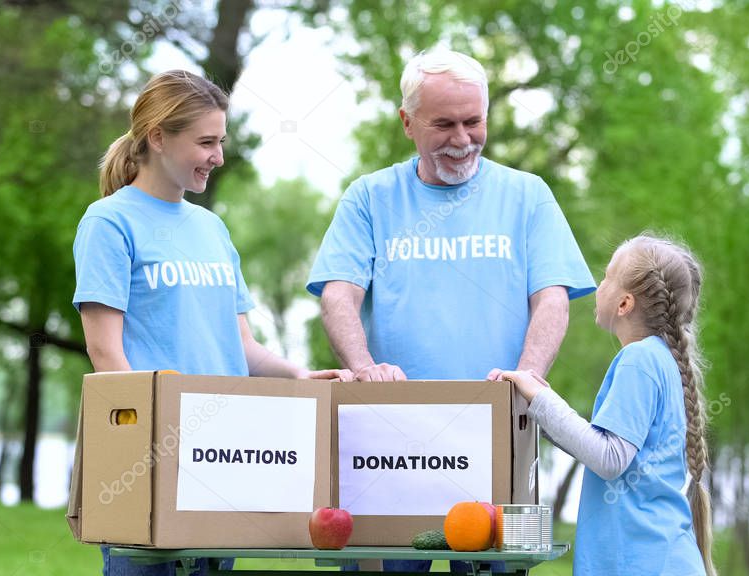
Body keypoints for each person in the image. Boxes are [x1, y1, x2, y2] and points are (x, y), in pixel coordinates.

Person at [306, 49, 596, 572]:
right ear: (407, 123)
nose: (463, 140)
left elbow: (552, 298)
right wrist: (365, 367)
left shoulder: (529, 195)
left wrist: (528, 378)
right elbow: (338, 295)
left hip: (502, 431)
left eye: (474, 121)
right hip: (386, 442)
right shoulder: (368, 198)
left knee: (501, 566)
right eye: (444, 124)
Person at [73, 70, 353, 576]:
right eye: (206, 142)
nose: (218, 156)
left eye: (220, 141)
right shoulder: (108, 222)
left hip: (222, 456)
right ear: (158, 138)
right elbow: (106, 353)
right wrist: (150, 449)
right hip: (149, 463)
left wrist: (296, 376)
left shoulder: (211, 228)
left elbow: (240, 345)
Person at [501, 235, 716, 576]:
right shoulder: (661, 359)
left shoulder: (639, 359)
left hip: (641, 563)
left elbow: (610, 458)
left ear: (624, 304)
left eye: (606, 277)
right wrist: (534, 405)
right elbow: (601, 447)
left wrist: (540, 398)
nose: (598, 285)